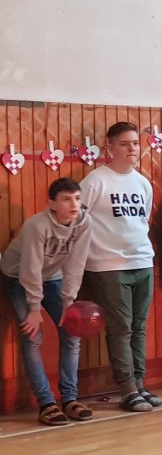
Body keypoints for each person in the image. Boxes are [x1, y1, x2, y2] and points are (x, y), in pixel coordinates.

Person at [80, 122, 160, 412]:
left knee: (139, 327)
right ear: (110, 147)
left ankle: (140, 383)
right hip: (108, 264)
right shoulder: (95, 181)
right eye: (125, 144)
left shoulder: (142, 183)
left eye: (136, 143)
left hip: (142, 260)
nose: (132, 149)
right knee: (121, 327)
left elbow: (142, 221)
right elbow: (78, 221)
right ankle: (127, 388)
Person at [1, 178, 92, 425]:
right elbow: (30, 268)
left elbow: (76, 263)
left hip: (53, 276)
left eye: (77, 198)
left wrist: (68, 301)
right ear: (52, 203)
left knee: (72, 332)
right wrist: (34, 307)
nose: (74, 204)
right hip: (18, 277)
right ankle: (46, 403)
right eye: (66, 199)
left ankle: (70, 398)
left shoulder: (84, 222)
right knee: (32, 336)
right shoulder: (36, 225)